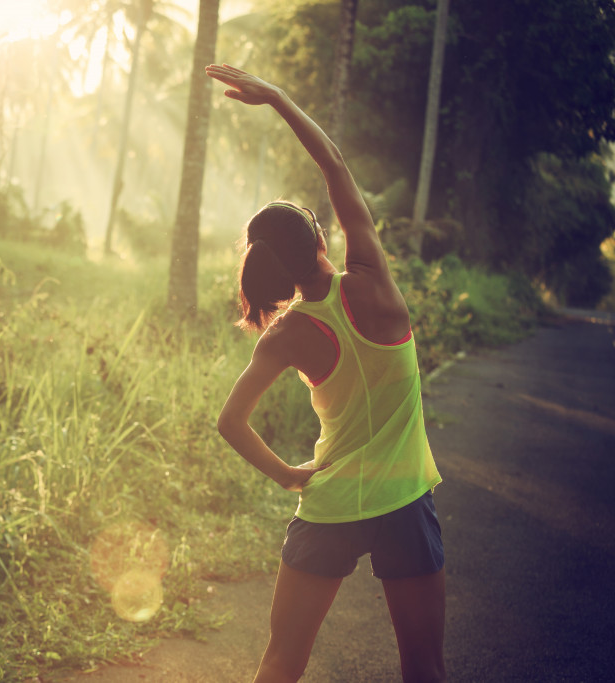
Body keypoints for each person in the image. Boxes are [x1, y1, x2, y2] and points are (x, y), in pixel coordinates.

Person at [208, 64, 446, 683]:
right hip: (403, 502)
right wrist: (281, 99)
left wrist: (290, 475)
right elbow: (334, 164)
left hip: (329, 506)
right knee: (424, 667)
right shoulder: (372, 281)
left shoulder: (285, 335)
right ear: (322, 240)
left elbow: (230, 422)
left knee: (281, 662)